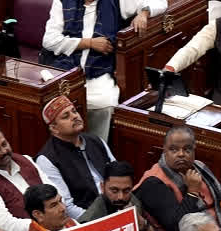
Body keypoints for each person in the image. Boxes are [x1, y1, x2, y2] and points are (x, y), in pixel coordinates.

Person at [43, 0, 162, 140]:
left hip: (100, 69)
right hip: (64, 68)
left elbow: (160, 3)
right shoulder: (62, 2)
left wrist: (144, 13)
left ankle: (97, 147)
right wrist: (89, 43)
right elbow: (49, 41)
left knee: (103, 103)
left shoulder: (118, 2)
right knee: (48, 97)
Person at [135, 127, 221, 231]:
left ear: (194, 150)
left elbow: (220, 202)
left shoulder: (199, 167)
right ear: (164, 150)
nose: (181, 154)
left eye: (187, 149)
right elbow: (175, 225)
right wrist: (192, 192)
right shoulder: (153, 182)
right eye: (174, 149)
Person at [36, 96, 117, 219]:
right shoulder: (47, 159)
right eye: (66, 116)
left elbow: (118, 175)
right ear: (54, 128)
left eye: (74, 111)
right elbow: (66, 207)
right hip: (88, 218)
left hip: (115, 202)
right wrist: (98, 220)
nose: (74, 116)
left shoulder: (95, 140)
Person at [0, 128, 53, 225]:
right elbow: (5, 224)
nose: (4, 151)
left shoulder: (25, 159)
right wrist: (45, 224)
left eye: (4, 144)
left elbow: (53, 190)